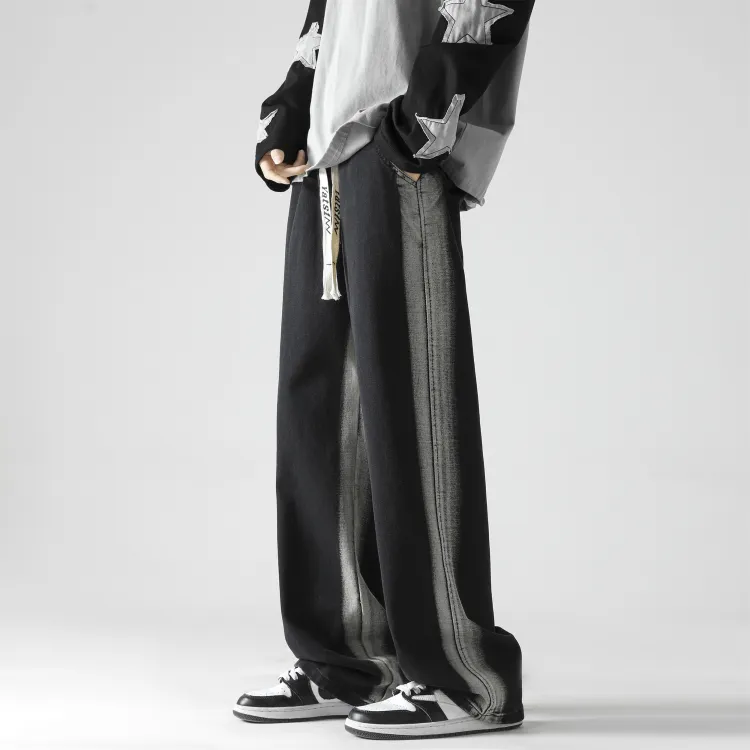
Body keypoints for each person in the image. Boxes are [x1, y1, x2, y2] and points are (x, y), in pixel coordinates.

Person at [234, 0, 535, 740]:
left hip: (400, 145)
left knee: (412, 406)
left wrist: (424, 115)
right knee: (318, 410)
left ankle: (466, 676)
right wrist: (293, 109)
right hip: (329, 154)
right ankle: (350, 661)